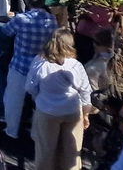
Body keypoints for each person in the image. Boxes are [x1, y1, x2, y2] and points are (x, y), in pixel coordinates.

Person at [25, 30, 91, 170]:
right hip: (72, 110)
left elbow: (30, 87)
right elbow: (85, 91)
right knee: (72, 152)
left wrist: (38, 96)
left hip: (47, 111)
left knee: (46, 151)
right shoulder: (75, 65)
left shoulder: (40, 61)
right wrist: (86, 113)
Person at [3, 0, 60, 139]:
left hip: (20, 65)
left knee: (13, 100)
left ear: (28, 0)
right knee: (39, 102)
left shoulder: (21, 19)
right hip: (41, 65)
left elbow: (6, 31)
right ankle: (35, 133)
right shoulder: (51, 20)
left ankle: (11, 130)